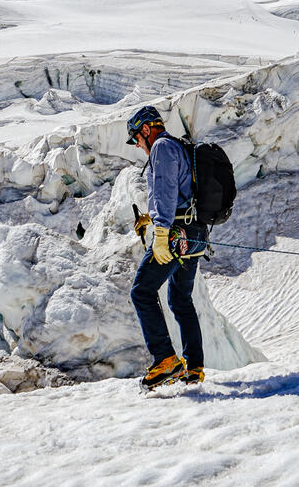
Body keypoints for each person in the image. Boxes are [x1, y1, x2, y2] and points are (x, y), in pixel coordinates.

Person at [125, 105, 207, 389]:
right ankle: (193, 367)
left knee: (141, 292)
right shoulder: (178, 146)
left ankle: (165, 360)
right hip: (195, 232)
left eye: (136, 138)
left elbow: (165, 190)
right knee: (180, 299)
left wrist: (160, 232)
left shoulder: (161, 147)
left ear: (146, 129)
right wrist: (151, 218)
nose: (138, 145)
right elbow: (182, 193)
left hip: (176, 235)